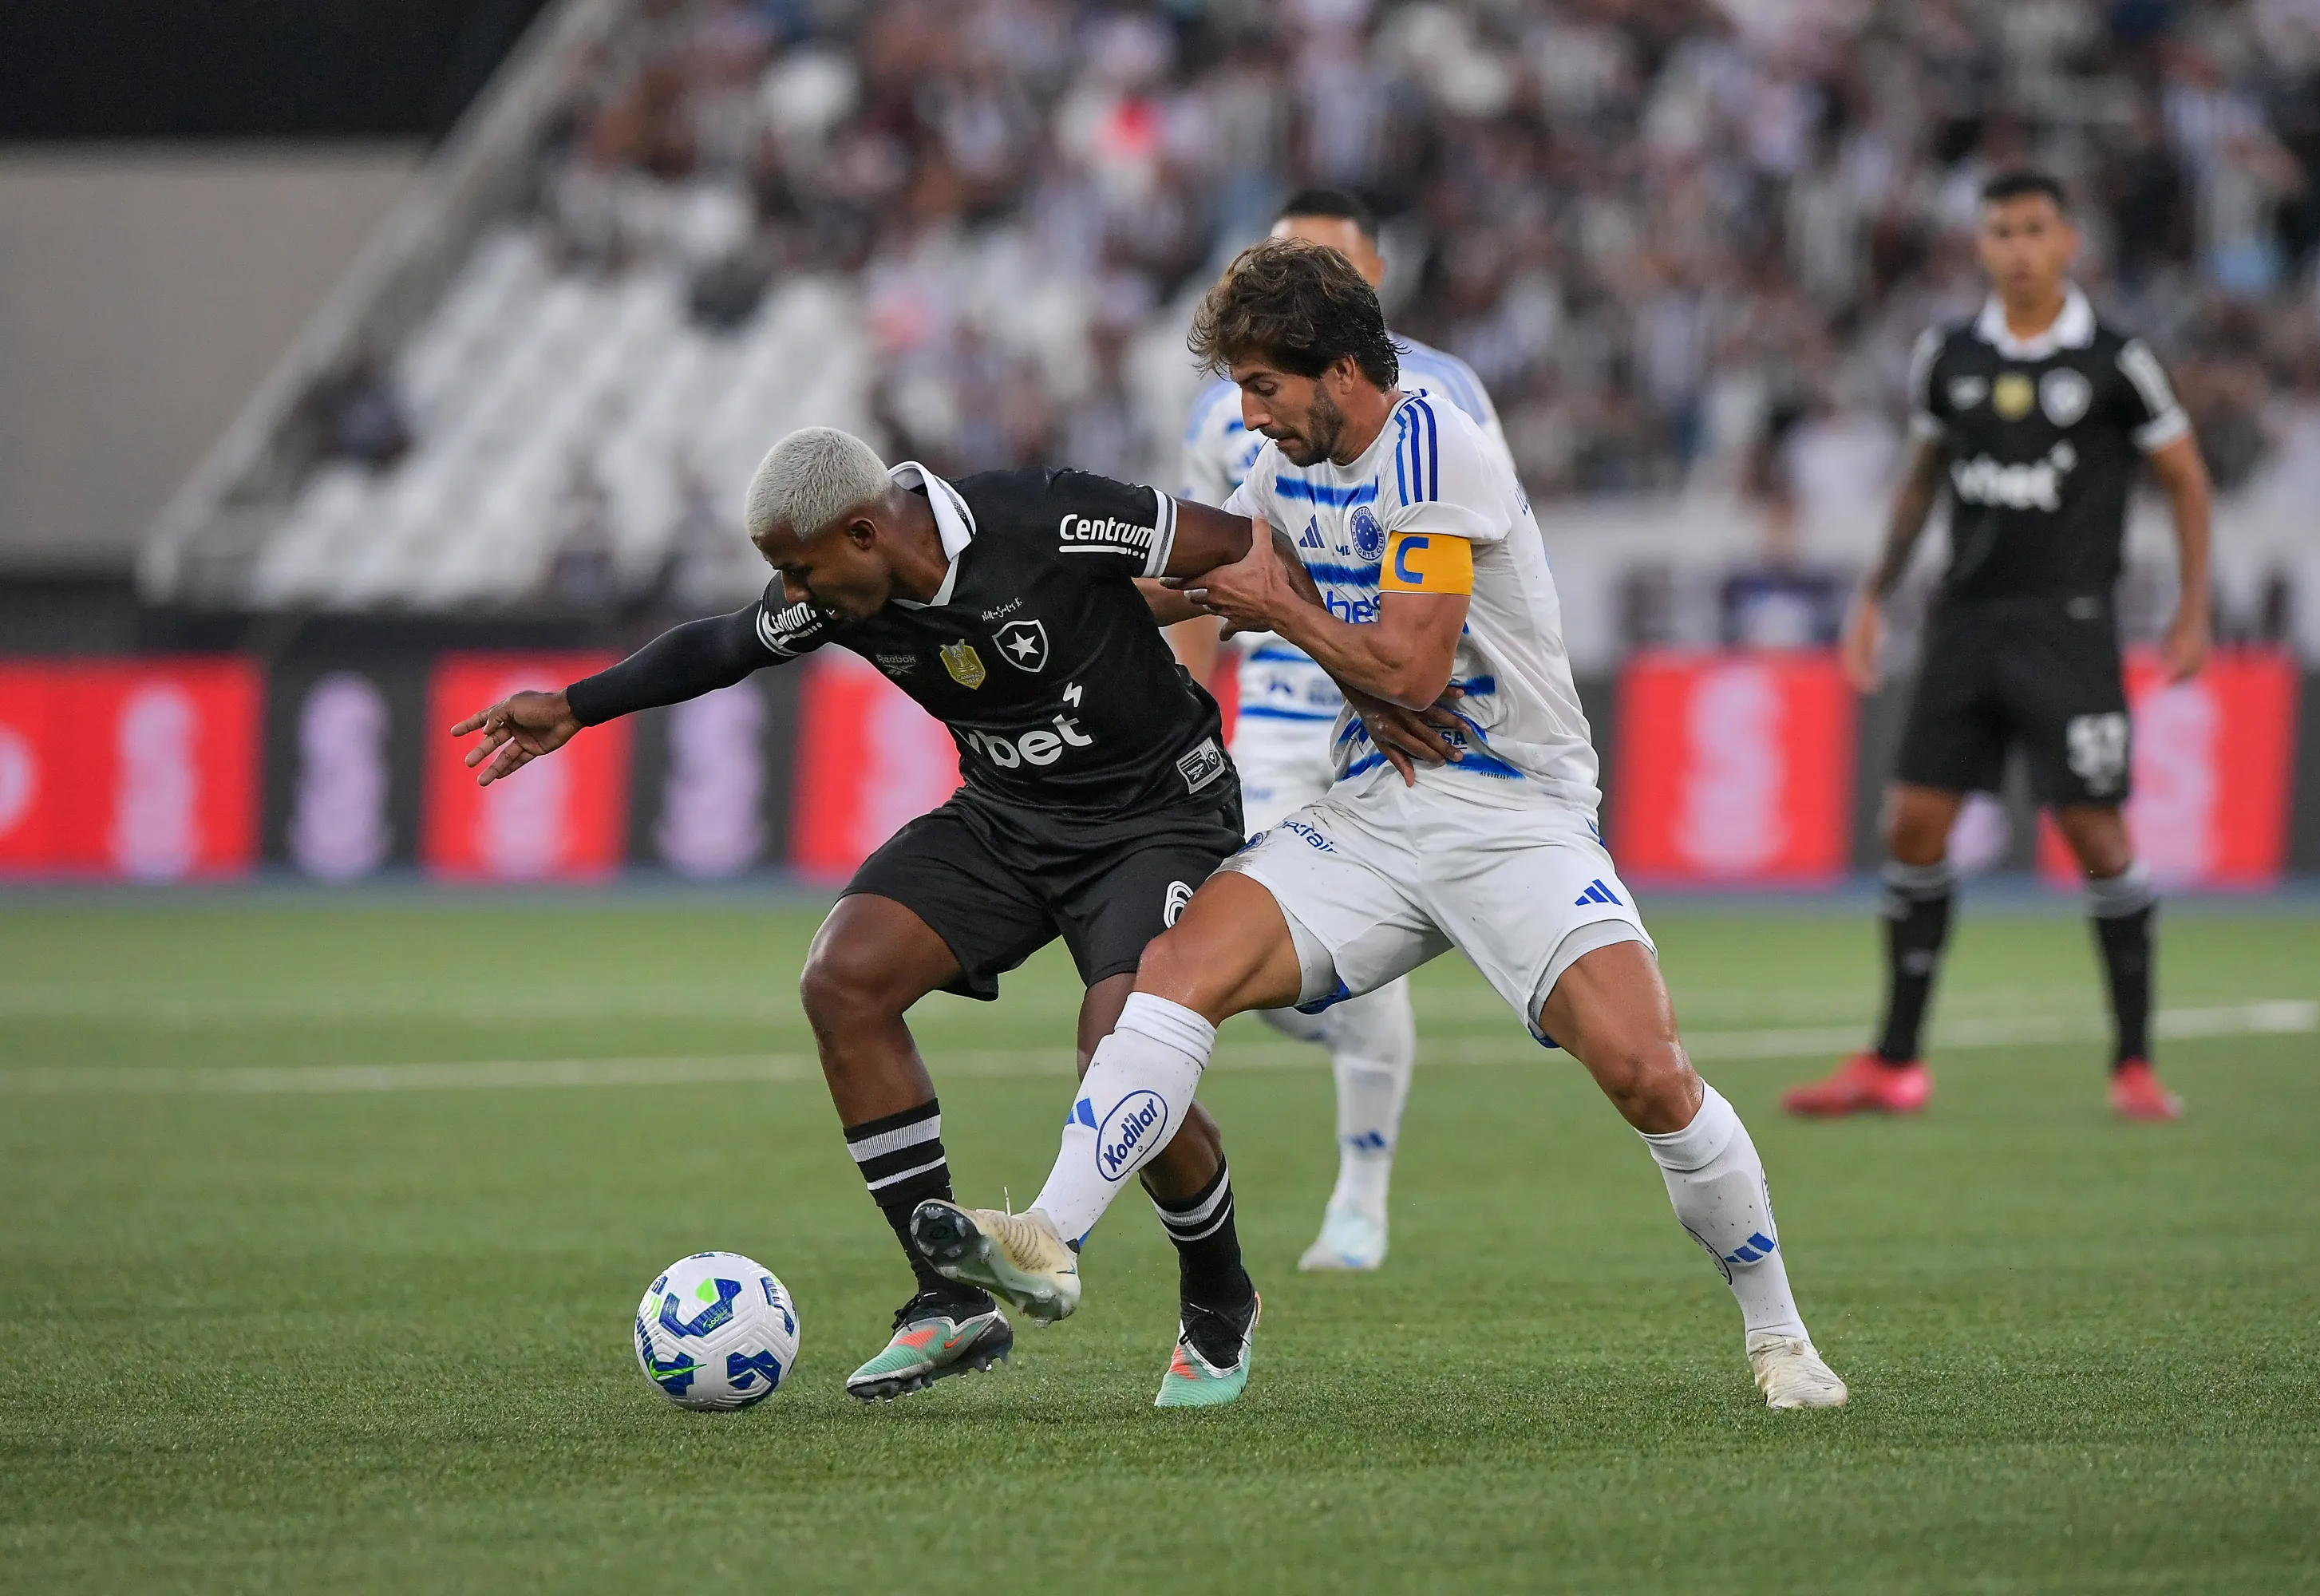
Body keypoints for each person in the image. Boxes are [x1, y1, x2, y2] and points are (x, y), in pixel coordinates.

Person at [911, 239, 1849, 1411]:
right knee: (1173, 971)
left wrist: (1273, 606)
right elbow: (1198, 584)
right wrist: (1003, 592)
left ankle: (1782, 1341)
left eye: (1263, 386)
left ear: (1340, 370)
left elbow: (1409, 669)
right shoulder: (1287, 469)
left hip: (1513, 814)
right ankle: (1046, 1237)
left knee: (1649, 1074)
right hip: (1376, 814)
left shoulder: (1434, 447)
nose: (1248, 416)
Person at [450, 426, 1453, 1407]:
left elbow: (1242, 547)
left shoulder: (1045, 515)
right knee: (845, 977)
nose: (793, 598)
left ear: (862, 533)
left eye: (800, 572)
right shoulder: (836, 594)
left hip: (1155, 818)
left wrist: (1364, 683)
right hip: (1005, 820)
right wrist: (577, 707)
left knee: (1121, 1050)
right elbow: (722, 645)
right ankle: (946, 1299)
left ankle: (1219, 1292)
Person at [1782, 170, 2213, 1124]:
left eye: (2033, 229)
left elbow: (2185, 477)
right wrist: (1872, 595)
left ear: (2067, 243)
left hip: (2069, 627)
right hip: (1964, 625)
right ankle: (1896, 1062)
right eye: (1999, 231)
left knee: (2098, 837)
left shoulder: (2115, 358)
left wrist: (2192, 610)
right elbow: (1919, 482)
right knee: (1911, 826)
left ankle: (2134, 1062)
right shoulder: (1950, 353)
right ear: (1981, 246)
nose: (2016, 247)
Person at [1168, 188, 1512, 1274]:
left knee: (1345, 963)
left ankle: (1361, 1192)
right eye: (1279, 257)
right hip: (1278, 707)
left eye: (1324, 259)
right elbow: (1202, 569)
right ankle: (1370, 1027)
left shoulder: (1446, 396)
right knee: (1263, 953)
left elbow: (1483, 558)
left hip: (1403, 711)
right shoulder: (1228, 411)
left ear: (1372, 274)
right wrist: (1190, 722)